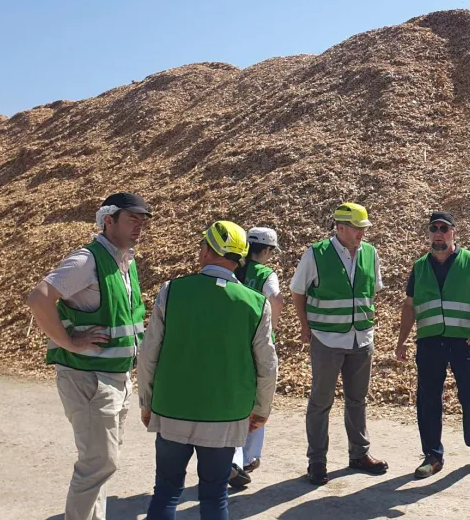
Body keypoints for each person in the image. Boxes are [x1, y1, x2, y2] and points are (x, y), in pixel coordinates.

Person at [138, 221, 278, 520]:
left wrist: (147, 403)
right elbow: (267, 365)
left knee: (166, 490)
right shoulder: (256, 303)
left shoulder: (172, 291)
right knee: (214, 495)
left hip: (171, 408)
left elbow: (148, 353)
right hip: (226, 415)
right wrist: (260, 410)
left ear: (206, 251)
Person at [26, 192, 152, 520]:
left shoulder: (125, 260)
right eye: (131, 219)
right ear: (108, 220)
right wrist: (68, 342)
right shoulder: (87, 260)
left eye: (142, 220)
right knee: (99, 463)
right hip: (89, 378)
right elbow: (39, 298)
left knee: (100, 463)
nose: (139, 226)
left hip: (115, 376)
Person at [290, 202, 388, 486]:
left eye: (365, 228)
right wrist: (305, 327)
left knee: (358, 400)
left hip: (361, 339)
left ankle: (359, 455)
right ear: (340, 227)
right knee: (321, 402)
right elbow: (298, 292)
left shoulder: (371, 253)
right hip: (327, 339)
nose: (362, 233)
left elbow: (372, 292)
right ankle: (317, 462)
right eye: (358, 228)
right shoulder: (316, 253)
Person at [396, 211, 470, 478]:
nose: (438, 233)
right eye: (434, 229)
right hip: (430, 341)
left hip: (463, 340)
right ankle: (432, 456)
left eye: (444, 228)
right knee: (428, 399)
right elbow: (410, 305)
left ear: (453, 233)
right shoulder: (419, 266)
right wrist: (401, 340)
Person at [228, 226, 284, 488]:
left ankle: (235, 458)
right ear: (267, 250)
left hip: (232, 342)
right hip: (257, 343)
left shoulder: (232, 269)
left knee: (234, 399)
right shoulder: (266, 274)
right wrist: (271, 327)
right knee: (259, 399)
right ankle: (245, 458)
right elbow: (276, 299)